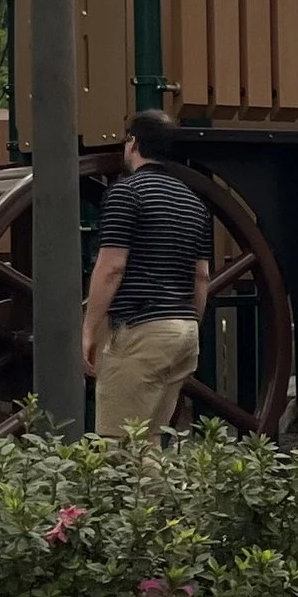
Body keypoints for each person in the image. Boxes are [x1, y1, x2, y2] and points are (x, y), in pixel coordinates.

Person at [84, 110, 212, 439]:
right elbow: (202, 277)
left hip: (142, 329)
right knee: (148, 442)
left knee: (118, 444)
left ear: (133, 143)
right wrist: (190, 323)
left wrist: (89, 329)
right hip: (183, 332)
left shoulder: (127, 194)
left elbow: (111, 267)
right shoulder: (194, 203)